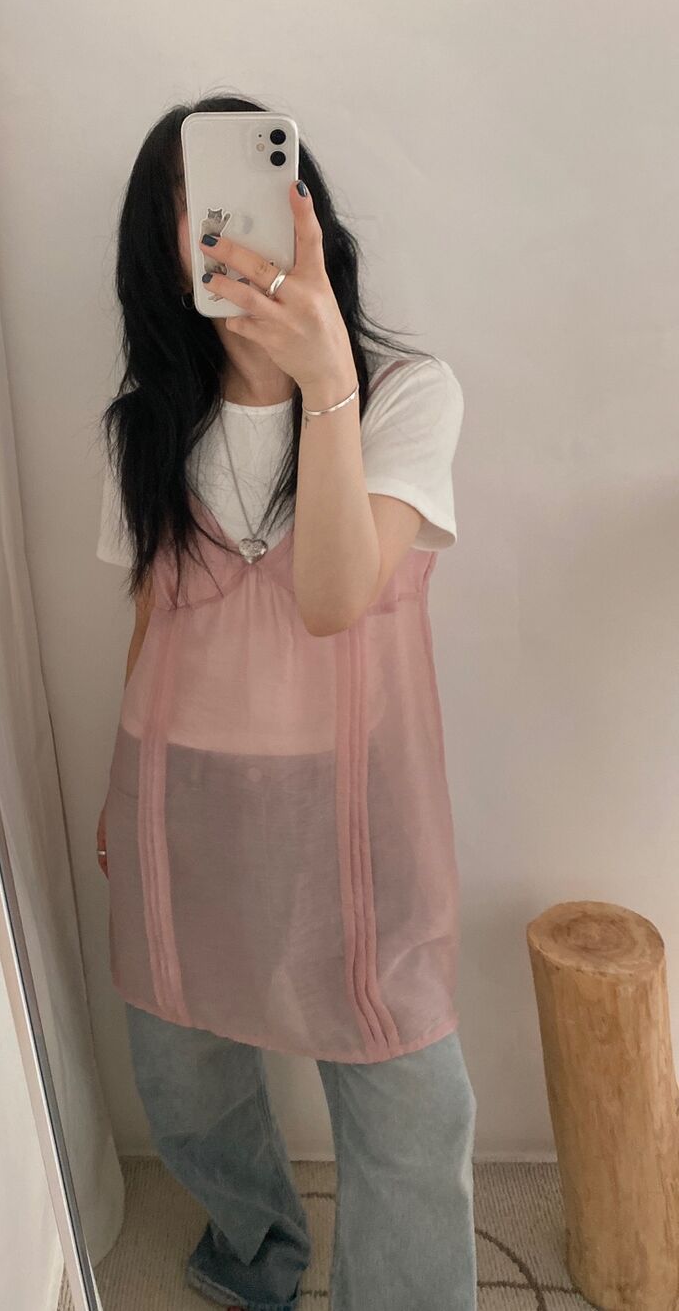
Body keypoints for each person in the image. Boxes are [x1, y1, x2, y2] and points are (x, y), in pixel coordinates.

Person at [94, 95, 476, 1311]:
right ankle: (254, 1254)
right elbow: (152, 619)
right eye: (190, 213)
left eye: (250, 197)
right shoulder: (147, 426)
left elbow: (332, 600)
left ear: (304, 213)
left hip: (352, 802)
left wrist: (320, 384)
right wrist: (117, 795)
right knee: (186, 1070)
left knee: (409, 1093)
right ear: (161, 253)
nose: (223, 231)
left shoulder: (405, 393)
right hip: (178, 794)